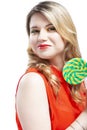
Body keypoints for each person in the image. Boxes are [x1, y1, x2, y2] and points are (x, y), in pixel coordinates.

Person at [15, 1, 87, 130]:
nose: (41, 37)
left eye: (51, 28)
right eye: (35, 31)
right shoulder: (33, 81)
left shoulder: (75, 78)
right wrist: (84, 118)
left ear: (67, 32)